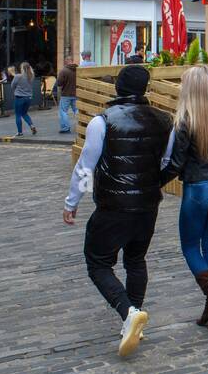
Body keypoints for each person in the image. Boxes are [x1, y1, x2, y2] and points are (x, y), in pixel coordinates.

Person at [63, 64, 173, 358]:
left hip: (113, 206)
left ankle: (129, 313)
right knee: (136, 259)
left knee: (97, 261)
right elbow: (166, 161)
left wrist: (71, 202)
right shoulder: (164, 120)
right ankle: (133, 317)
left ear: (117, 88)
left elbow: (86, 165)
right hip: (148, 206)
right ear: (145, 89)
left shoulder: (103, 121)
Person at [161, 66, 208, 329]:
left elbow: (175, 163)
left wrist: (154, 184)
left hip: (199, 188)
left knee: (191, 246)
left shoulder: (185, 120)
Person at [11, 61, 37, 136]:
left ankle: (20, 132)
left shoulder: (18, 76)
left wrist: (16, 90)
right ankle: (32, 125)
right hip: (28, 98)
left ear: (22, 68)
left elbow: (12, 86)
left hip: (19, 97)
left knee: (18, 115)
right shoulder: (31, 76)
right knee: (24, 113)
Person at [56, 58, 79, 135]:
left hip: (66, 94)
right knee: (76, 110)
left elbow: (59, 83)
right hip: (76, 94)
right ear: (72, 61)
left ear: (65, 62)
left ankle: (65, 128)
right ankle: (81, 126)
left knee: (63, 111)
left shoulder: (64, 71)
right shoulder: (78, 70)